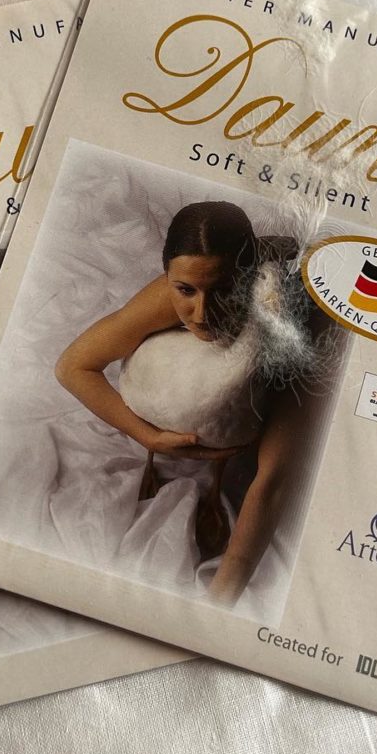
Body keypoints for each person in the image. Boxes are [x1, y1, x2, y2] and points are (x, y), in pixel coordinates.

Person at [55, 201, 322, 604]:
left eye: (224, 289)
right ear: (169, 279)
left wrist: (219, 601)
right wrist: (147, 437)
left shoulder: (287, 333)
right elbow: (72, 367)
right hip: (163, 387)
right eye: (185, 290)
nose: (201, 314)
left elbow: (274, 480)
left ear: (248, 279)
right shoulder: (167, 300)